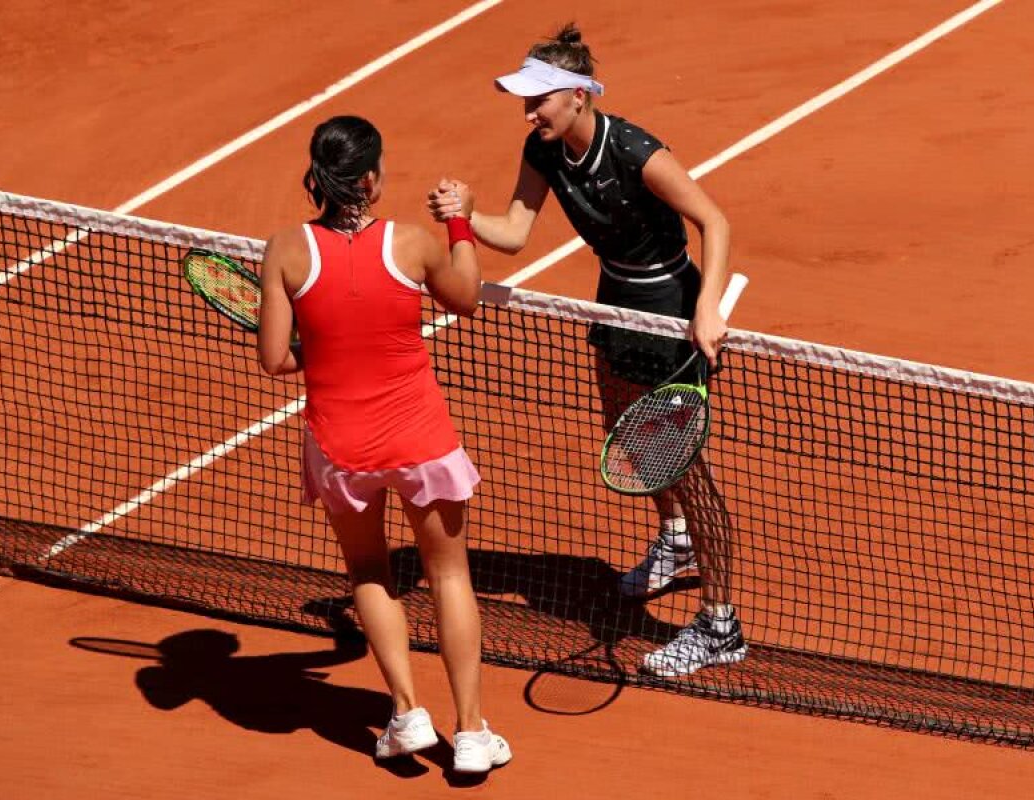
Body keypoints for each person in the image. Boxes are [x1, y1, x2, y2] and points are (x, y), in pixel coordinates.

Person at [427, 24, 746, 677]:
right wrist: (463, 216)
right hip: (612, 299)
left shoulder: (633, 150)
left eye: (538, 100)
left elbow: (714, 221)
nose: (528, 112)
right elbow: (514, 232)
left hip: (668, 308)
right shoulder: (543, 151)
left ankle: (721, 626)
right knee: (625, 433)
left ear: (576, 96)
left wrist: (707, 306)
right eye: (524, 101)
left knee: (682, 464)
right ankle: (677, 541)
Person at [257, 115, 511, 774]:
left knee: (370, 572)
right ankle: (474, 732)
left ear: (318, 176)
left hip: (341, 448)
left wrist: (327, 344)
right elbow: (466, 298)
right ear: (370, 178)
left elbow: (276, 359)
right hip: (420, 438)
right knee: (449, 575)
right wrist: (459, 222)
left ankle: (404, 714)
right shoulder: (413, 245)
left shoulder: (284, 251)